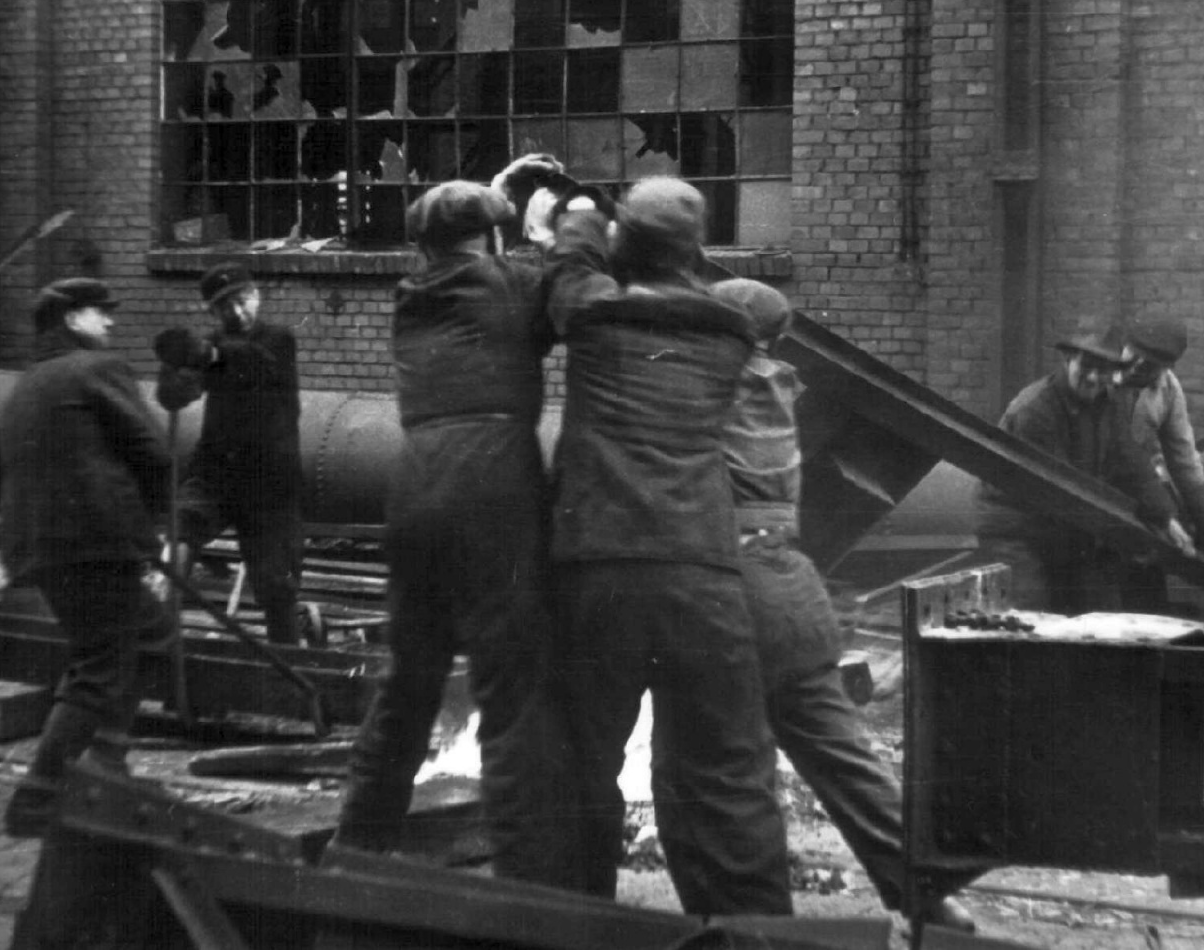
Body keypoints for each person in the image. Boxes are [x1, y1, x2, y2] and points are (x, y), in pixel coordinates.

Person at [544, 175, 793, 916]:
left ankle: (571, 928)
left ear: (627, 244)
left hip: (600, 566)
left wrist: (585, 218)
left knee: (579, 764)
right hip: (703, 572)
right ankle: (753, 934)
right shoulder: (730, 328)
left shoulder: (595, 314)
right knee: (726, 773)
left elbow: (566, 273)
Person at [329, 157, 578, 890]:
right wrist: (541, 225)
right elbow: (556, 276)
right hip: (492, 485)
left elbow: (465, 247)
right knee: (510, 693)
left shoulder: (414, 294)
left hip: (415, 487)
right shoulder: (515, 283)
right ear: (492, 239)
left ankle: (357, 851)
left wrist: (494, 198)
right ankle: (523, 882)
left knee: (410, 682)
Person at [701, 278, 977, 932]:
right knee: (844, 759)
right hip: (795, 598)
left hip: (734, 600)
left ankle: (754, 926)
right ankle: (932, 896)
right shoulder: (775, 388)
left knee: (721, 775)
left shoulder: (718, 395)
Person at [0, 278, 174, 837]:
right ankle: (40, 794)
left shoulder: (29, 382)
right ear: (73, 319)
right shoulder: (96, 369)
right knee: (101, 667)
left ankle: (106, 767)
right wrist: (156, 535)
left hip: (42, 546)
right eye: (102, 314)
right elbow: (153, 451)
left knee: (148, 634)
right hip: (98, 544)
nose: (111, 324)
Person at [975, 324, 1193, 614]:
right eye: (1086, 366)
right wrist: (1132, 537)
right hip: (1016, 528)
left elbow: (1130, 460)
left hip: (1065, 523)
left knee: (1097, 611)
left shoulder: (1108, 402)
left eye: (1103, 370)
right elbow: (1062, 492)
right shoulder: (1034, 410)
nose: (1093, 377)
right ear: (1068, 360)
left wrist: (1166, 517)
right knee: (1031, 613)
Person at [156, 265, 303, 645]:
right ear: (212, 313)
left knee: (276, 588)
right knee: (180, 528)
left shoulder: (278, 341)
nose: (237, 313)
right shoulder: (211, 347)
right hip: (216, 474)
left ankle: (286, 675)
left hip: (269, 483)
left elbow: (251, 363)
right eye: (225, 308)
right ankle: (158, 631)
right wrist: (172, 377)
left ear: (256, 295)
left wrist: (204, 354)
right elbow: (179, 394)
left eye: (241, 301)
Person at [1120, 316, 1204, 591]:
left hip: (1138, 485)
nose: (1137, 367)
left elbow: (1184, 462)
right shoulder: (1097, 374)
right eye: (1134, 356)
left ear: (1167, 368)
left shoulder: (1168, 390)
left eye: (1150, 365)